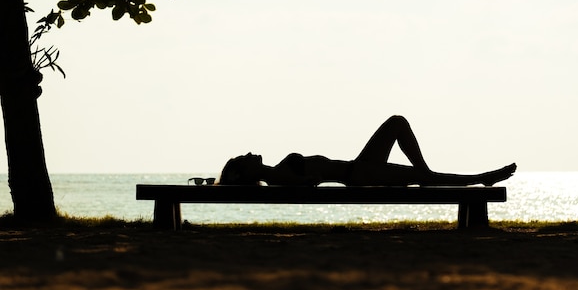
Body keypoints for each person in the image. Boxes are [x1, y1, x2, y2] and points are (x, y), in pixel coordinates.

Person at [219, 115, 516, 187]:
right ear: (243, 172)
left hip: (357, 167)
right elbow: (309, 183)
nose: (249, 153)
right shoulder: (277, 180)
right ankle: (482, 178)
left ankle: (476, 177)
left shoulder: (275, 174)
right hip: (357, 173)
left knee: (397, 123)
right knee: (425, 173)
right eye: (244, 159)